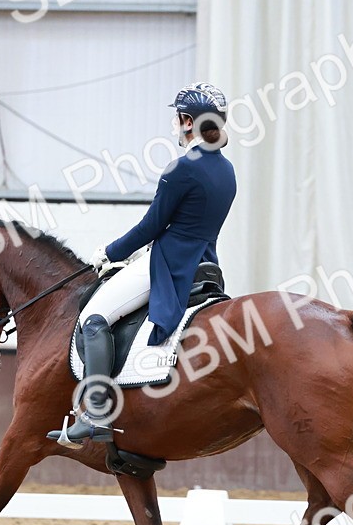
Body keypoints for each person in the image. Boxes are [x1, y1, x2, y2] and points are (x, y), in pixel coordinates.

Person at [48, 82, 237, 445]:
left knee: (93, 318)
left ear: (187, 122)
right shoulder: (227, 170)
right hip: (206, 262)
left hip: (169, 263)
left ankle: (96, 413)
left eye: (177, 118)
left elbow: (152, 226)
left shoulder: (181, 168)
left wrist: (110, 253)